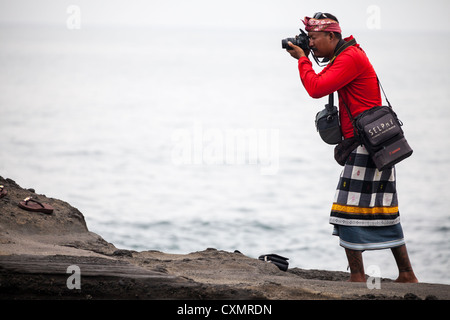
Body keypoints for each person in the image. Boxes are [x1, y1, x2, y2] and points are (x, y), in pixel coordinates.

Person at [286, 12, 418, 283]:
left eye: (313, 38)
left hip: (367, 144)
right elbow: (324, 81)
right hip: (370, 142)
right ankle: (406, 273)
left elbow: (316, 87)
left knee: (346, 210)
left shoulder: (349, 57)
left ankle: (359, 275)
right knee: (382, 208)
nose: (310, 44)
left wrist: (302, 59)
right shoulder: (345, 55)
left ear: (332, 36)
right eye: (308, 39)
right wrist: (307, 56)